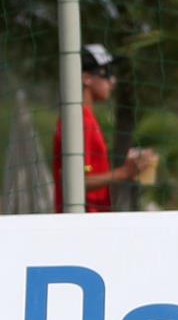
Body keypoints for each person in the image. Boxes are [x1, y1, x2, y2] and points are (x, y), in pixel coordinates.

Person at [53, 44, 158, 212]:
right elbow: (74, 182)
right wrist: (124, 172)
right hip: (80, 222)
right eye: (106, 73)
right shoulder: (78, 121)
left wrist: (129, 170)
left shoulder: (86, 118)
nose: (113, 81)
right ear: (86, 78)